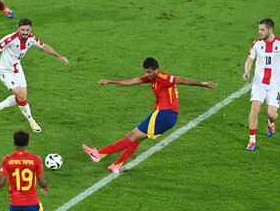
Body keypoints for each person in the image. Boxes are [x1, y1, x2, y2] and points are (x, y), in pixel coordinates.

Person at [83, 57, 217, 173]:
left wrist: (204, 84)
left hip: (164, 114)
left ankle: (98, 154)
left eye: (149, 72)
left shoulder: (165, 78)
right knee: (137, 139)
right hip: (166, 116)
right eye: (145, 71)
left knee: (131, 136)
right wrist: (110, 81)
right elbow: (131, 81)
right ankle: (116, 165)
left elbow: (185, 81)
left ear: (156, 70)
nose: (146, 74)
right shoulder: (150, 78)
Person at [0, 18, 69, 133]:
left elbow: (44, 46)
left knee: (22, 97)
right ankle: (32, 121)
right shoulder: (10, 38)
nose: (25, 32)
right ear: (18, 29)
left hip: (17, 69)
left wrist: (59, 56)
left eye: (27, 30)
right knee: (21, 95)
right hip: (5, 71)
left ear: (30, 29)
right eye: (23, 30)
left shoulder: (31, 38)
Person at [243, 18, 280, 151]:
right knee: (254, 108)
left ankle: (271, 122)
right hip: (259, 83)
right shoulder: (256, 44)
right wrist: (247, 70)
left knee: (271, 113)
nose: (259, 32)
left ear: (270, 30)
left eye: (262, 30)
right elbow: (249, 60)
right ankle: (252, 140)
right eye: (259, 29)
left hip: (274, 85)